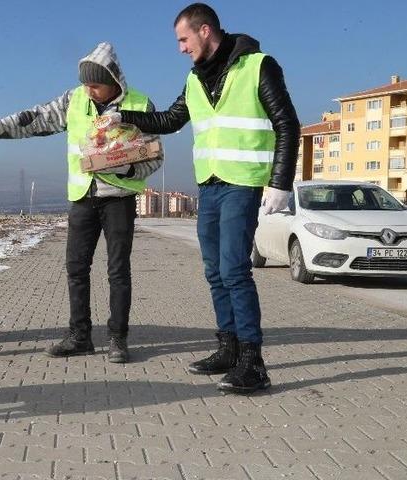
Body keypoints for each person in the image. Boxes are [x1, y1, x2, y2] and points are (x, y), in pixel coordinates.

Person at [115, 3, 300, 393]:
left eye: (183, 39)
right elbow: (170, 119)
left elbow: (286, 122)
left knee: (234, 268)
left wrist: (280, 182)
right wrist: (125, 116)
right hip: (210, 185)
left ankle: (254, 361)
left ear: (204, 31)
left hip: (242, 184)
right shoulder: (195, 79)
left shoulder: (258, 66)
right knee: (214, 270)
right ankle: (228, 348)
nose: (180, 48)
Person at [0, 42, 163, 364]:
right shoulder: (75, 99)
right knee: (75, 268)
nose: (88, 89)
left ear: (114, 80)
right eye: (85, 82)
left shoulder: (141, 104)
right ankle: (80, 336)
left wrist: (126, 167)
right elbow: (34, 118)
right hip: (82, 197)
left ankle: (118, 339)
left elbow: (155, 156)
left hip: (119, 199)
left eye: (95, 84)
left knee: (118, 271)